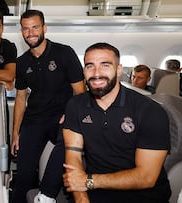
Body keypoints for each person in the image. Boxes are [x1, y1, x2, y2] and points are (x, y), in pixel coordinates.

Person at [62, 42, 171, 203]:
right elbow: (73, 158)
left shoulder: (150, 111)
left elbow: (146, 177)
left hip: (144, 195)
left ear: (119, 70)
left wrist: (89, 181)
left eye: (105, 65)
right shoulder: (75, 105)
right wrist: (81, 198)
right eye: (89, 66)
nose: (96, 73)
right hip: (95, 192)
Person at [10, 10, 86, 203]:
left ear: (44, 28)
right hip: (34, 119)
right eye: (26, 29)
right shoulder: (22, 62)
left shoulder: (64, 53)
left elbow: (81, 92)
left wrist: (71, 114)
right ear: (22, 32)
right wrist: (15, 133)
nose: (31, 33)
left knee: (69, 140)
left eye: (35, 27)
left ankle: (46, 196)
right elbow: (20, 98)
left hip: (61, 116)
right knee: (24, 173)